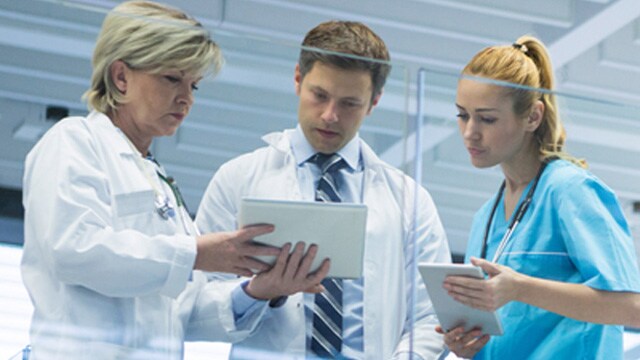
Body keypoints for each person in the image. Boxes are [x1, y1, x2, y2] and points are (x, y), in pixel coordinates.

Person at [20, 1, 287, 358]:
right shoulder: (74, 141)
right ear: (121, 77)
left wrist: (259, 290)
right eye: (172, 78)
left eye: (194, 85)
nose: (186, 98)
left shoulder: (160, 183)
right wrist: (193, 253)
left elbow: (180, 313)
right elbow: (73, 250)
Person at [195, 20, 451, 359]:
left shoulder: (410, 200)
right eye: (320, 95)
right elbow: (195, 306)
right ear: (298, 80)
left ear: (374, 102)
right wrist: (257, 292)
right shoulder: (237, 178)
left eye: (349, 103)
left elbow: (429, 317)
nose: (330, 115)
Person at [439, 35, 640, 359]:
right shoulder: (485, 217)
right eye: (463, 115)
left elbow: (632, 308)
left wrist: (520, 288)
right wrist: (465, 344)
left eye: (487, 118)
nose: (469, 132)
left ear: (532, 116)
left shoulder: (570, 191)